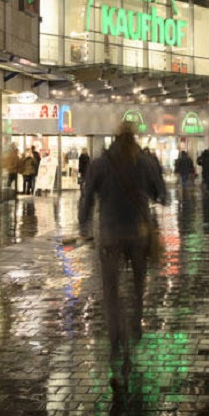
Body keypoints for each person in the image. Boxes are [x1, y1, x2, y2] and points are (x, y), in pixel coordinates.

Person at [78, 121, 166, 356]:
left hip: (110, 234)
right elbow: (162, 194)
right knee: (139, 283)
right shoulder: (144, 161)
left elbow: (87, 197)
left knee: (111, 287)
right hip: (138, 233)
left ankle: (115, 333)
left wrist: (84, 225)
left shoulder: (101, 162)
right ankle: (135, 323)